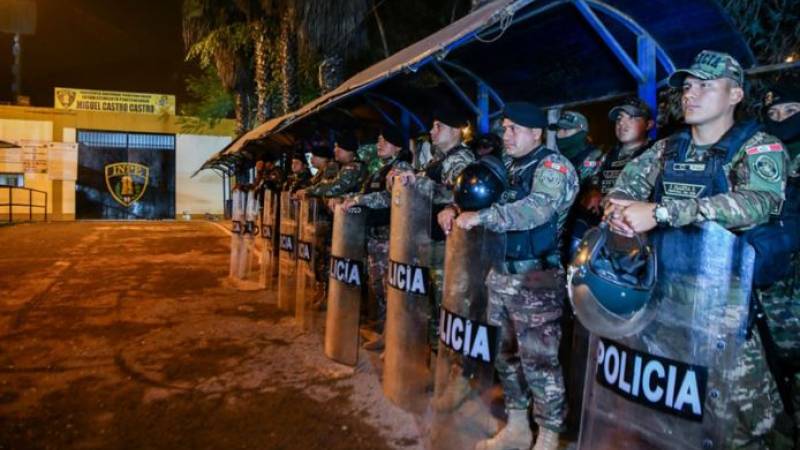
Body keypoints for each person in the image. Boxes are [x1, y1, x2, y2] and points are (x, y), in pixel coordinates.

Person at [603, 50, 788, 448]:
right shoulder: (667, 149)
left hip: (724, 312)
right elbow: (623, 188)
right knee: (670, 419)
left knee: (740, 427)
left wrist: (663, 212)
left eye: (705, 85)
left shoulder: (758, 147)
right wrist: (617, 212)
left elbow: (759, 202)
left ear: (735, 94)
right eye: (688, 86)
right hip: (664, 303)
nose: (691, 94)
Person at [441, 102, 578, 450]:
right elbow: (478, 195)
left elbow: (537, 209)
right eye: (505, 128)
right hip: (500, 275)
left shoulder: (552, 166)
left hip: (536, 280)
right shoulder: (506, 166)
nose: (506, 134)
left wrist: (483, 217)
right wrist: (453, 208)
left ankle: (548, 435)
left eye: (514, 128)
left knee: (539, 363)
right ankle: (518, 428)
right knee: (505, 356)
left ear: (537, 132)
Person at [340, 127, 412, 350]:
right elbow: (365, 193)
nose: (379, 144)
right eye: (379, 140)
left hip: (390, 239)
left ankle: (394, 341)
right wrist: (347, 198)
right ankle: (384, 331)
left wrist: (359, 200)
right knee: (379, 288)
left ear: (397, 147)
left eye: (385, 141)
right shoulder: (381, 170)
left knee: (391, 292)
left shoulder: (401, 168)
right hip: (376, 238)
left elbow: (391, 198)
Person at [758, 82, 800, 449]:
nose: (781, 120)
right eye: (773, 114)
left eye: (790, 112)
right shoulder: (761, 158)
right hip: (770, 279)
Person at [298, 133, 366, 201]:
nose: (334, 150)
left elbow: (336, 187)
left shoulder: (353, 167)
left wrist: (308, 191)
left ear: (346, 149)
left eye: (337, 147)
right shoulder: (349, 165)